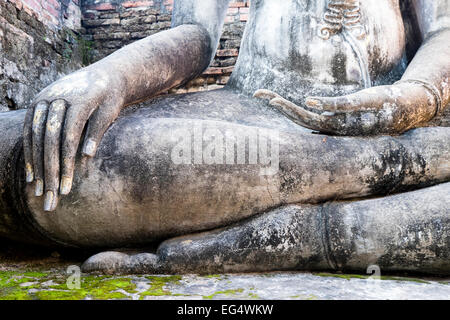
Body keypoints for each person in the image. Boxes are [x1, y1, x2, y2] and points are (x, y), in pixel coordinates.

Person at [0, 0, 448, 274]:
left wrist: (416, 96)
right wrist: (113, 74)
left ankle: (310, 234)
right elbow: (196, 34)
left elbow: (443, 31)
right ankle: (393, 166)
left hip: (387, 116)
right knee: (55, 164)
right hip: (252, 113)